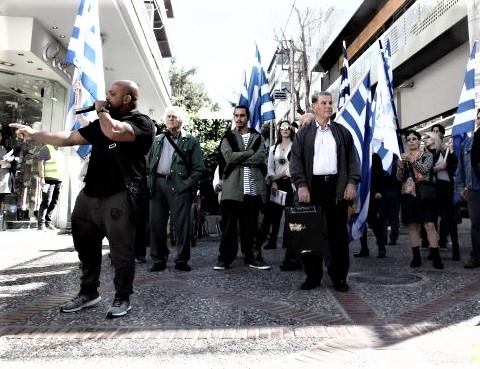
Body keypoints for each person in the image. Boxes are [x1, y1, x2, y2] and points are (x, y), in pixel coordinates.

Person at [10, 80, 155, 318]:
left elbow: (114, 132)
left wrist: (101, 110)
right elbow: (69, 137)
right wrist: (35, 134)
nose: (107, 95)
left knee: (121, 251)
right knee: (85, 246)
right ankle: (89, 292)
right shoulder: (102, 123)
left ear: (127, 99)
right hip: (90, 194)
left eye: (112, 93)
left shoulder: (141, 123)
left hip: (120, 194)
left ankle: (122, 297)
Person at [290, 91, 360, 291]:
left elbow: (353, 161)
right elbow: (295, 162)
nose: (329, 106)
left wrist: (351, 183)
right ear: (314, 107)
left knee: (338, 236)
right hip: (311, 189)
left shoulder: (342, 132)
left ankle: (339, 278)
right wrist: (301, 185)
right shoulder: (303, 134)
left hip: (336, 188)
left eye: (330, 102)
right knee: (310, 235)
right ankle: (313, 277)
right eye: (324, 103)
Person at [213, 105, 271, 271]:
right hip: (232, 189)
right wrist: (248, 153)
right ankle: (224, 259)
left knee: (251, 227)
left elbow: (260, 157)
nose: (239, 118)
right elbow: (229, 157)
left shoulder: (257, 137)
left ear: (247, 117)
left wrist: (241, 159)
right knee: (229, 227)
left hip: (252, 189)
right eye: (236, 115)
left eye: (242, 115)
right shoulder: (227, 137)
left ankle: (252, 257)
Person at [147, 106, 204, 272]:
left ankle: (182, 260)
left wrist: (186, 184)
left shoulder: (190, 140)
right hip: (157, 184)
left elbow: (198, 168)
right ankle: (158, 259)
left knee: (182, 225)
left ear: (181, 120)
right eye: (169, 116)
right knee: (156, 224)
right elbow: (148, 164)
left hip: (178, 185)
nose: (171, 119)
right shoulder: (157, 140)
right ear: (165, 120)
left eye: (174, 116)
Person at [396, 130, 443, 269]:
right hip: (408, 195)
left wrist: (411, 159)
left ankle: (436, 257)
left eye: (414, 139)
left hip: (424, 194)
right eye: (409, 139)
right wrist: (400, 164)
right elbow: (398, 178)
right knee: (413, 226)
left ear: (419, 141)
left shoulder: (427, 155)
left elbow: (424, 170)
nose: (411, 141)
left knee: (430, 225)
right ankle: (416, 257)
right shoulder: (403, 157)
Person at [423, 131, 459, 260]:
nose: (425, 139)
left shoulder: (444, 151)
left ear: (435, 139)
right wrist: (435, 169)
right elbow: (422, 171)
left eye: (428, 137)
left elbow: (455, 165)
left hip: (444, 189)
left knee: (449, 219)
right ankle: (434, 249)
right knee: (431, 221)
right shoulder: (424, 154)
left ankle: (456, 248)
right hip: (430, 190)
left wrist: (451, 152)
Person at [455, 109, 480, 268]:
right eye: (479, 117)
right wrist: (460, 187)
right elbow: (461, 168)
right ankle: (476, 256)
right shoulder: (469, 142)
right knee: (476, 223)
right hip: (474, 188)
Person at [354, 153, 387, 258]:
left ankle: (381, 247)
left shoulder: (374, 156)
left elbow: (380, 175)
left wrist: (379, 191)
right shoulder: (357, 154)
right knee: (360, 220)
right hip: (359, 193)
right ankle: (364, 248)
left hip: (373, 193)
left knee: (373, 220)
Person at [36, 144, 65, 230]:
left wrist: (62, 179)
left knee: (54, 202)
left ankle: (47, 223)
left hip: (58, 180)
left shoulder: (60, 152)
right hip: (48, 180)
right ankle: (41, 224)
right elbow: (40, 162)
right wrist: (42, 178)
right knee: (46, 201)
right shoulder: (46, 148)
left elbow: (61, 166)